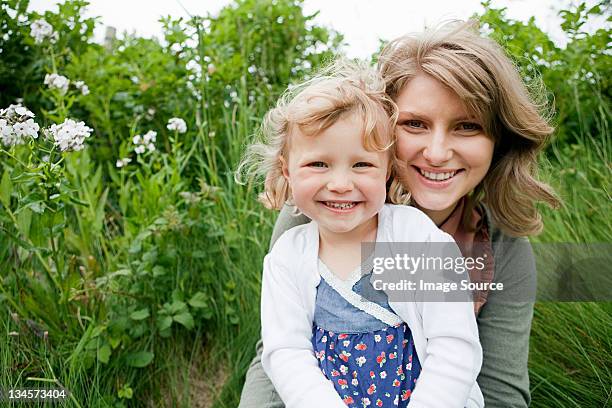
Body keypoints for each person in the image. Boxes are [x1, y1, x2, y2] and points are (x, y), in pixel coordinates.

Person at [238, 21, 559, 408]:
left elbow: (500, 392)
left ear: (498, 140)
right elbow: (277, 355)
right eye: (415, 124)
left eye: (467, 126)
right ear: (383, 128)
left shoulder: (501, 246)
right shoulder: (315, 216)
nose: (437, 152)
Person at [237, 58, 484, 408]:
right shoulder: (288, 256)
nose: (340, 184)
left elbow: (454, 344)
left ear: (387, 171)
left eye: (362, 165)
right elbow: (286, 351)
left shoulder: (413, 237)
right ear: (287, 171)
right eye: (318, 164)